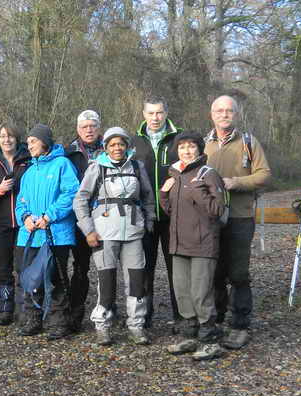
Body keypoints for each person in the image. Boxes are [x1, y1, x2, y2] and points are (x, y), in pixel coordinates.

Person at [73, 127, 155, 346]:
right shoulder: (96, 168)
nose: (117, 148)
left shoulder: (136, 167)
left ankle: (136, 325)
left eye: (121, 144)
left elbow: (148, 197)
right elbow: (80, 200)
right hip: (104, 233)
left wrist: (149, 221)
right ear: (106, 147)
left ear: (127, 146)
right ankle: (103, 326)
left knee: (136, 282)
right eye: (112, 144)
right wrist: (88, 230)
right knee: (106, 281)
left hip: (133, 231)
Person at [204, 95, 273, 349]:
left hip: (240, 217)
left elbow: (264, 174)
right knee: (215, 272)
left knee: (238, 273)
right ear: (212, 114)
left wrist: (237, 182)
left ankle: (240, 324)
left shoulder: (248, 142)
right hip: (211, 218)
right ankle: (217, 319)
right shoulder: (203, 144)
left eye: (229, 111)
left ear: (236, 114)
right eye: (219, 110)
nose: (224, 114)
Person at [159, 132, 228, 360]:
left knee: (201, 293)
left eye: (191, 147)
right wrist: (163, 194)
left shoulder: (208, 174)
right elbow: (171, 211)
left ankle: (210, 341)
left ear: (199, 149)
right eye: (182, 147)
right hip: (179, 244)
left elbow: (217, 210)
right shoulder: (175, 174)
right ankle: (189, 336)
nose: (186, 151)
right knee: (182, 292)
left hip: (203, 244)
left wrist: (199, 191)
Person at [15, 123, 80, 340]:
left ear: (44, 142)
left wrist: (48, 216)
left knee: (56, 278)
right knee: (30, 278)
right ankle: (33, 319)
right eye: (28, 142)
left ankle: (59, 322)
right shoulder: (29, 172)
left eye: (33, 141)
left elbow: (71, 193)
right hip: (30, 235)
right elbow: (20, 201)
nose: (29, 145)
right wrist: (25, 218)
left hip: (56, 234)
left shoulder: (63, 164)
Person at [130, 96, 182, 329]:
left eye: (159, 112)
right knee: (144, 268)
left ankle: (182, 317)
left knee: (177, 270)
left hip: (174, 216)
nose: (155, 117)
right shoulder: (133, 141)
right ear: (143, 114)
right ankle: (144, 316)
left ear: (166, 113)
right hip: (145, 216)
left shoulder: (180, 139)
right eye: (150, 113)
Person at [0, 122, 30, 324]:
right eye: (3, 136)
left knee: (23, 266)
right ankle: (5, 308)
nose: (6, 140)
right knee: (3, 268)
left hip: (24, 222)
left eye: (10, 136)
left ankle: (25, 307)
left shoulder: (28, 159)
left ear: (17, 138)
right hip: (1, 222)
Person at [65, 109, 104, 332]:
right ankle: (75, 313)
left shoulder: (111, 147)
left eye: (92, 126)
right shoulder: (69, 153)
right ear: (78, 129)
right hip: (79, 216)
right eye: (84, 127)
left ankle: (108, 309)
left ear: (99, 128)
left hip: (106, 214)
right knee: (80, 267)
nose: (89, 130)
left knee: (107, 266)